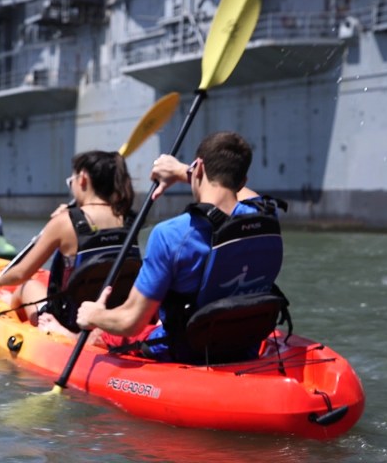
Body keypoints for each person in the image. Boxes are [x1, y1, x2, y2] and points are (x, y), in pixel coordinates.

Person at [76, 131, 286, 363]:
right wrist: (183, 171)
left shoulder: (171, 234)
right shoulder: (264, 215)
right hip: (242, 343)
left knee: (101, 331)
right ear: (242, 181)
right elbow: (244, 193)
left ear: (199, 168)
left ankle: (64, 334)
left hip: (184, 351)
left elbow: (130, 322)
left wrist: (94, 315)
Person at [0, 151, 139, 329]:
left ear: (83, 179)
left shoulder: (64, 223)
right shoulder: (130, 219)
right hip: (113, 314)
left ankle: (12, 303)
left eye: (71, 181)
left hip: (69, 322)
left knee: (28, 285)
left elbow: (21, 273)